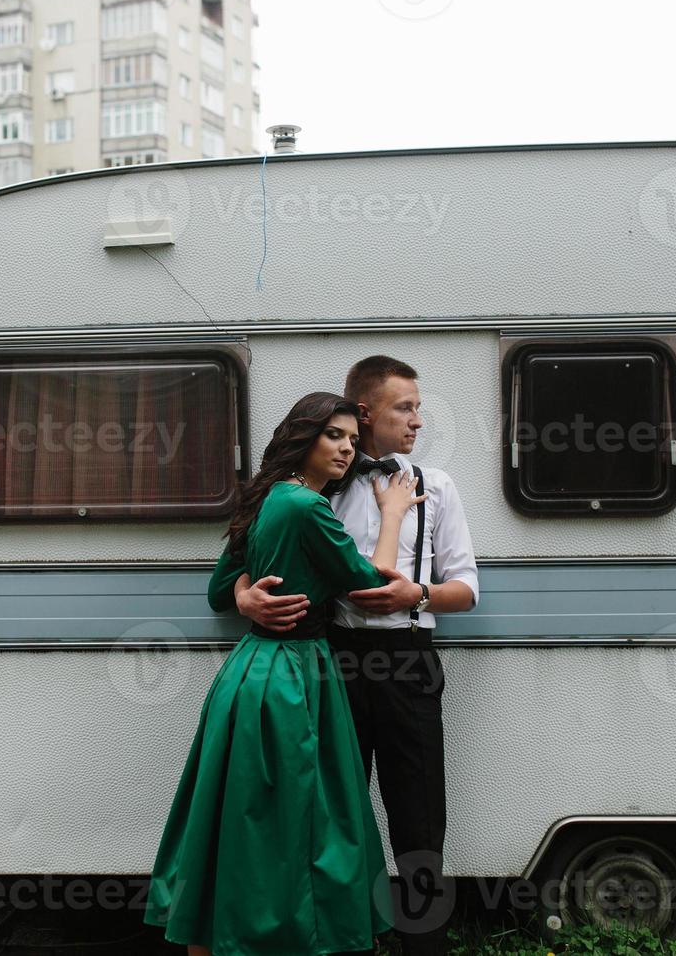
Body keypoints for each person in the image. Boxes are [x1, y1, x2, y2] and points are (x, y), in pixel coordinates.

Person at [145, 391, 423, 956]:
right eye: (333, 436)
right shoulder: (306, 508)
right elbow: (373, 586)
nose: (346, 448)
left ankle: (219, 933)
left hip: (247, 674)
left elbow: (220, 590)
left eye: (351, 438)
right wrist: (393, 513)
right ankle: (293, 935)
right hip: (293, 677)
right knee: (301, 818)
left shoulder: (268, 498)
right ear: (302, 439)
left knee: (241, 817)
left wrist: (247, 598)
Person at [231, 357, 480, 956]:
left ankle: (424, 947)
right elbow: (251, 563)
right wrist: (245, 599)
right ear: (366, 413)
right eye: (405, 407)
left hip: (408, 661)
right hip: (332, 659)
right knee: (335, 811)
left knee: (419, 816)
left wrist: (416, 592)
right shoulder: (318, 490)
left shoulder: (437, 486)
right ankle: (349, 939)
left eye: (418, 408)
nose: (418, 420)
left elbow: (467, 589)